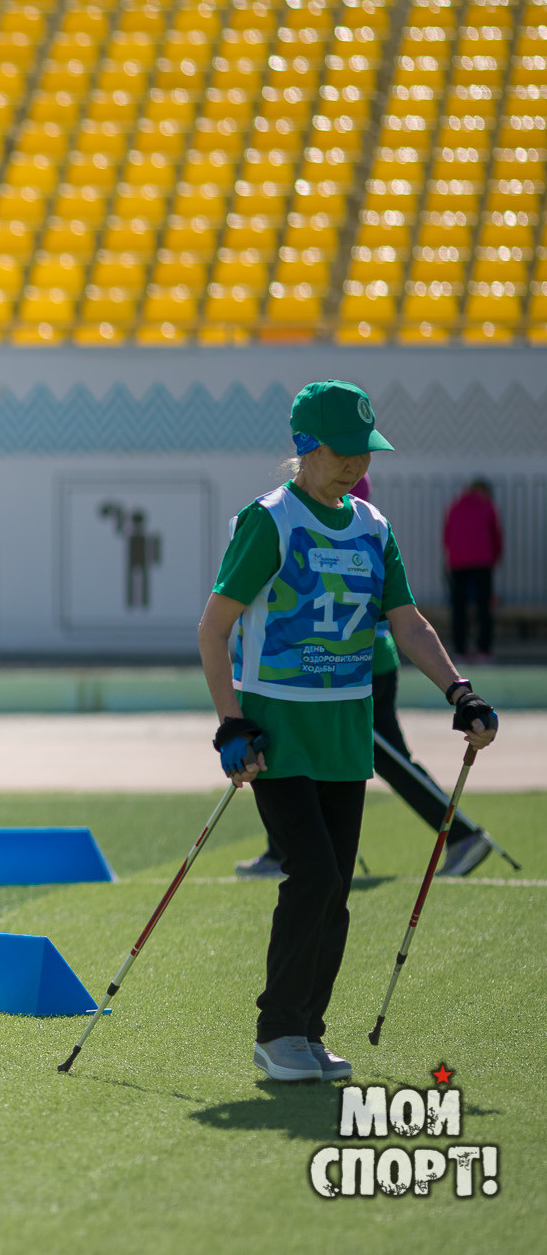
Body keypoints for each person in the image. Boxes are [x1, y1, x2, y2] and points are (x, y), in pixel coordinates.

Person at [198, 381, 498, 1085]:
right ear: (306, 447)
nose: (357, 462)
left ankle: (307, 1032)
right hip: (278, 731)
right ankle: (276, 1033)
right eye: (344, 449)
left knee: (335, 891)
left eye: (365, 449)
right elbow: (215, 628)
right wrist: (229, 725)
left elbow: (408, 621)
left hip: (344, 733)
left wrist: (459, 690)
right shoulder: (267, 522)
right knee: (316, 873)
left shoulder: (373, 526)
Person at [234, 478, 503, 882]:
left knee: (392, 762)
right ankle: (282, 849)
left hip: (365, 669)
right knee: (301, 752)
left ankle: (462, 834)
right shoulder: (302, 515)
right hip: (341, 668)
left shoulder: (357, 521)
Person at [443, 478, 501, 664]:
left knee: (459, 607)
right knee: (483, 606)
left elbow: (447, 534)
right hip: (482, 562)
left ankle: (460, 649)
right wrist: (494, 559)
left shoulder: (455, 505)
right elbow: (496, 535)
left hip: (457, 562)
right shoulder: (487, 505)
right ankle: (484, 650)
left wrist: (452, 556)